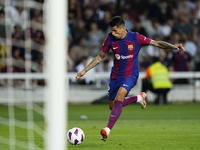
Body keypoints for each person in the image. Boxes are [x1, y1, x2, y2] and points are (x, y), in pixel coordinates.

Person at [76, 16, 185, 141]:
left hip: (130, 74)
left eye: (115, 31)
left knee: (120, 96)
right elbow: (101, 56)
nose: (113, 33)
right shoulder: (110, 39)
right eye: (112, 30)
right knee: (113, 106)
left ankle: (107, 130)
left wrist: (173, 47)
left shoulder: (136, 37)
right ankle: (138, 98)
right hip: (115, 76)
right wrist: (85, 70)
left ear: (123, 28)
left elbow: (156, 43)